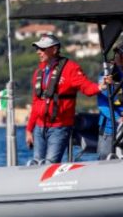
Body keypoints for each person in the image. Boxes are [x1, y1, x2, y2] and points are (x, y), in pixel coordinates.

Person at [26, 33, 110, 164]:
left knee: (50, 164)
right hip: (39, 127)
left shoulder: (71, 68)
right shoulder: (39, 72)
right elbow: (36, 102)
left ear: (54, 50)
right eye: (37, 49)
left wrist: (101, 86)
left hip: (59, 128)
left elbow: (86, 88)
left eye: (42, 49)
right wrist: (29, 130)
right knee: (36, 163)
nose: (38, 52)